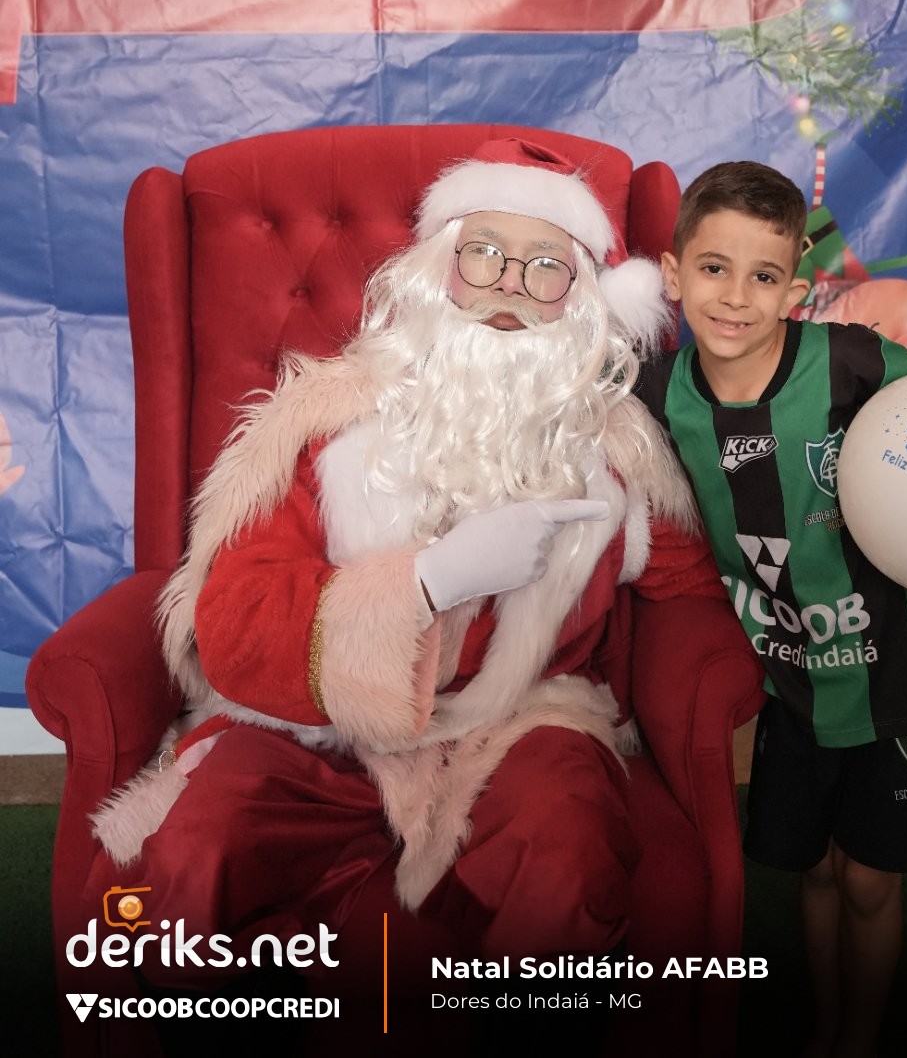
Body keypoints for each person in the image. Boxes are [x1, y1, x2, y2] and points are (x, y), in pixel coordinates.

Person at [88, 137, 720, 1021]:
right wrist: (429, 580)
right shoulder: (323, 420)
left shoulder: (619, 454)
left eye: (546, 268)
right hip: (317, 732)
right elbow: (234, 619)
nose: (509, 287)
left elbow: (696, 590)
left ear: (581, 299)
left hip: (515, 725)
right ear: (438, 270)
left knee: (567, 855)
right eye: (485, 254)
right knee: (192, 862)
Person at [635, 160, 907, 1058]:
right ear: (673, 275)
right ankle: (826, 1026)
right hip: (792, 683)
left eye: (763, 276)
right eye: (714, 268)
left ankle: (859, 1039)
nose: (736, 297)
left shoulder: (849, 361)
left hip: (895, 678)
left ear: (795, 292)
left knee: (871, 881)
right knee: (816, 872)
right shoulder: (653, 393)